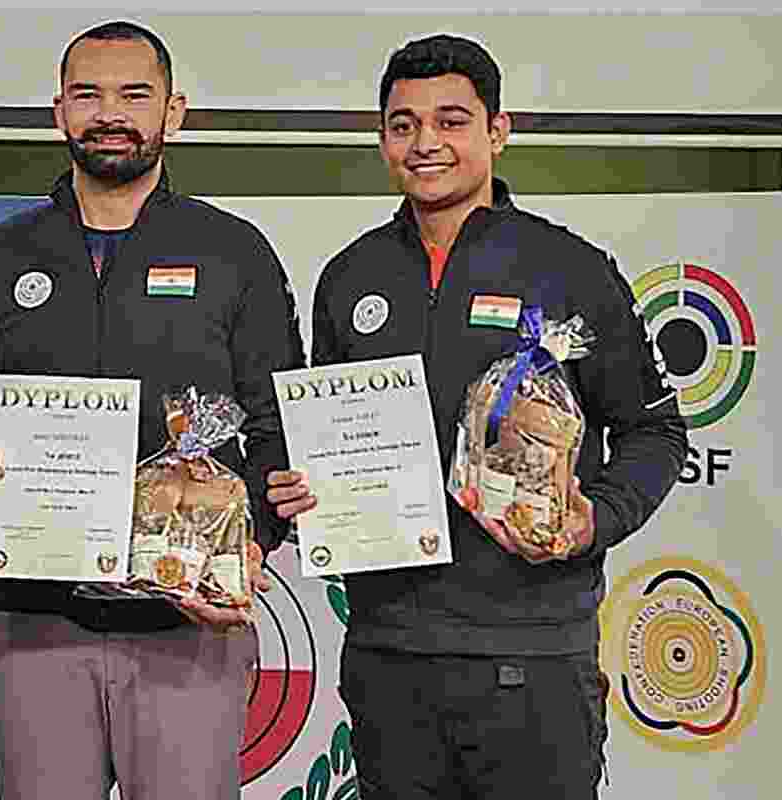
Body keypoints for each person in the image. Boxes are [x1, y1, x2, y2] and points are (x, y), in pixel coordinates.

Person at [266, 34, 688, 799]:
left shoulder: (570, 269)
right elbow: (331, 440)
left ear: (497, 131)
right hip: (388, 655)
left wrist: (593, 519)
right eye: (403, 124)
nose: (425, 142)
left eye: (451, 121)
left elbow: (655, 431)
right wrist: (307, 493)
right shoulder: (350, 276)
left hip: (532, 656)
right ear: (383, 138)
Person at [0, 20, 306, 800]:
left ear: (174, 111)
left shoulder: (234, 252)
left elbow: (278, 424)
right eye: (88, 95)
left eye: (134, 95)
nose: (110, 114)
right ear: (59, 113)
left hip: (188, 627)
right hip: (34, 628)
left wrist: (251, 548)